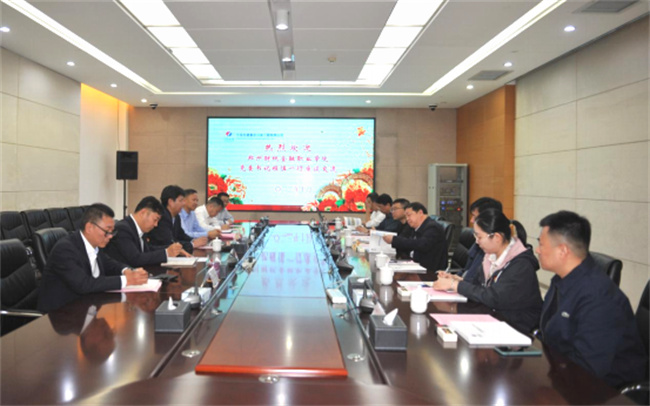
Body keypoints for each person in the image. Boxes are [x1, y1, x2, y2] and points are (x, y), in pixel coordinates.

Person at [536, 210, 646, 388]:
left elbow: (588, 369)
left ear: (563, 250)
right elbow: (549, 333)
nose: (538, 250)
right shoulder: (561, 280)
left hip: (606, 391)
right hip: (562, 372)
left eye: (541, 244)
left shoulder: (600, 297)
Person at [434, 208, 542, 333]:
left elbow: (494, 297)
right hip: (490, 319)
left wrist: (455, 285)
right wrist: (456, 279)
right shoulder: (490, 257)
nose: (476, 241)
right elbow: (478, 286)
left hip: (514, 328)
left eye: (479, 237)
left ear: (497, 237)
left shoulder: (521, 265)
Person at [37, 203, 149, 313]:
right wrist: (126, 280)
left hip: (87, 306)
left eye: (112, 232)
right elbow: (84, 284)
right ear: (89, 227)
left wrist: (126, 271)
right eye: (107, 231)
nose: (110, 236)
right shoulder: (65, 249)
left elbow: (109, 264)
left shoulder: (94, 244)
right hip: (61, 314)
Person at [104, 196, 188, 268]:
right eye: (155, 220)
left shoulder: (139, 229)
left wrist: (170, 249)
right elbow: (135, 259)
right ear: (143, 213)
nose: (156, 225)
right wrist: (166, 253)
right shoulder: (123, 229)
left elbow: (148, 250)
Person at [383, 202, 447, 280]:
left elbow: (421, 244)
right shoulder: (416, 227)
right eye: (406, 216)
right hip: (415, 265)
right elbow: (407, 241)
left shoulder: (432, 227)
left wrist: (394, 240)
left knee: (394, 279)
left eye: (409, 215)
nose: (407, 219)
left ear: (420, 213)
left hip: (428, 271)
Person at [147, 185, 206, 253]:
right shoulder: (162, 217)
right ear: (171, 202)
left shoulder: (176, 216)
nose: (183, 203)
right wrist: (192, 244)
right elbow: (170, 242)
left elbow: (181, 235)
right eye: (181, 200)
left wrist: (193, 240)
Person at [461, 197, 503, 284]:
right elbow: (467, 272)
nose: (471, 220)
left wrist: (454, 283)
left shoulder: (492, 248)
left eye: (474, 216)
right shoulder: (479, 243)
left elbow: (473, 282)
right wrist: (453, 277)